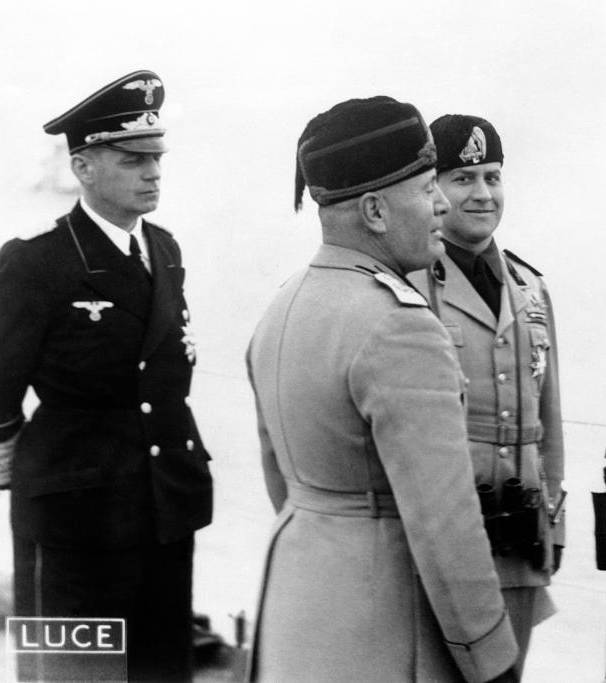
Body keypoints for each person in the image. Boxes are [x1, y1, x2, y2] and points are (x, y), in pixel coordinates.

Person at [246, 96, 519, 683]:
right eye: (427, 189)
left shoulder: (284, 304)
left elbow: (280, 478)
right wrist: (492, 658)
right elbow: (445, 525)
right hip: (383, 629)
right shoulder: (401, 326)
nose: (443, 204)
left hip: (296, 611)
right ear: (374, 210)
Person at [0, 70, 213, 681]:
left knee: (161, 671)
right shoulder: (35, 264)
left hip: (162, 510)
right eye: (133, 160)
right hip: (75, 523)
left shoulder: (166, 250)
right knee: (71, 676)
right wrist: (38, 474)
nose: (154, 173)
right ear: (84, 167)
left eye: (157, 159)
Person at [410, 114, 565, 676]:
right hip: (449, 548)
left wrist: (552, 529)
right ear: (433, 190)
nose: (482, 195)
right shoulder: (412, 285)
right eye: (463, 179)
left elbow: (550, 424)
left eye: (493, 177)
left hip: (521, 544)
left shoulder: (531, 288)